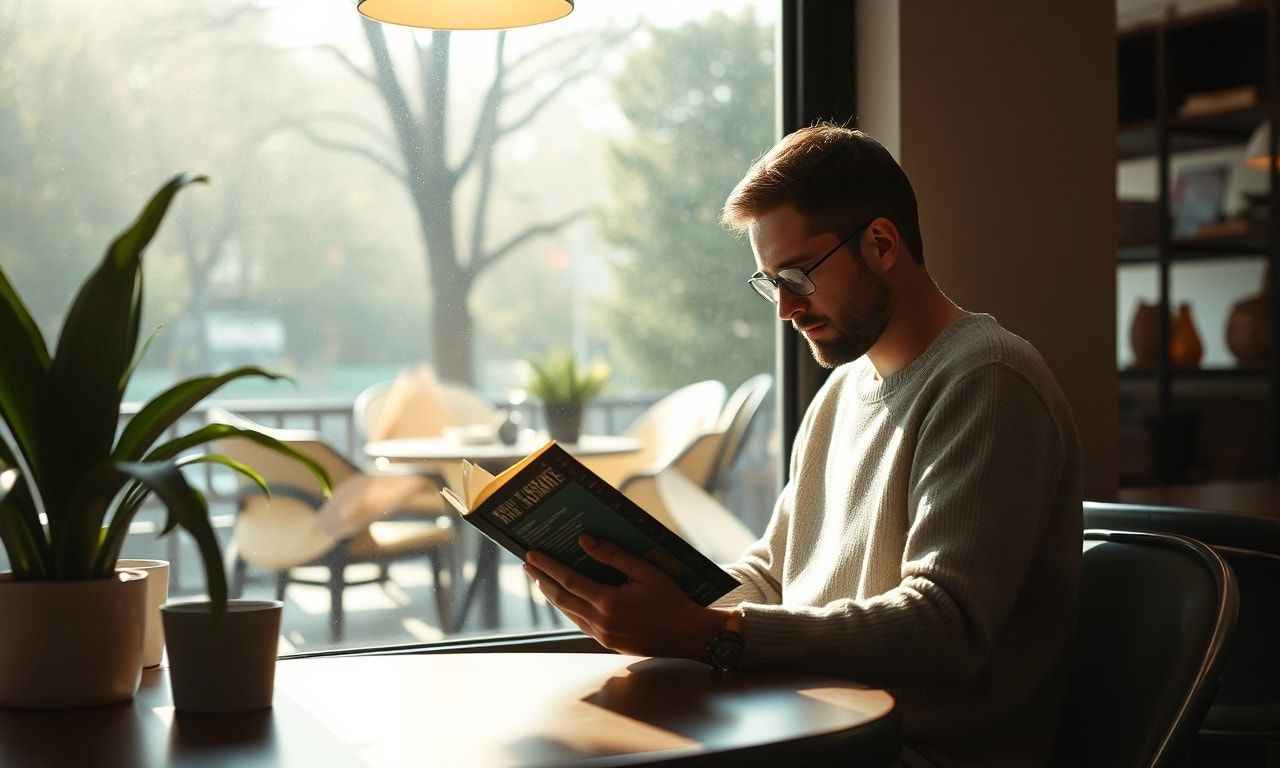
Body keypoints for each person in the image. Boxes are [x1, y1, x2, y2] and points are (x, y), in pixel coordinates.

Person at [523, 123, 1082, 768]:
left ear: (880, 243)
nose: (785, 307)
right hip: (816, 728)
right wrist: (648, 599)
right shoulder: (843, 391)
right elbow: (771, 576)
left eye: (797, 273)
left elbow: (944, 627)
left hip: (915, 752)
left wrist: (708, 633)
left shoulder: (988, 382)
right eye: (770, 282)